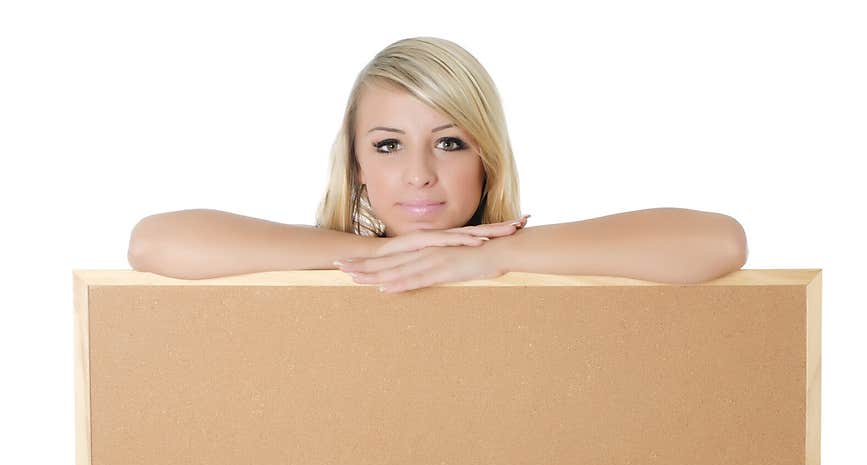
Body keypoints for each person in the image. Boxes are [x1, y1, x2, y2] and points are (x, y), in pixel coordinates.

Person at [128, 36, 748, 292]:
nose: (419, 173)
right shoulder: (328, 264)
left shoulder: (528, 264)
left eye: (450, 142)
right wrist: (374, 254)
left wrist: (492, 256)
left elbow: (718, 241)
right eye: (388, 145)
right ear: (356, 165)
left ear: (487, 156)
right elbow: (154, 243)